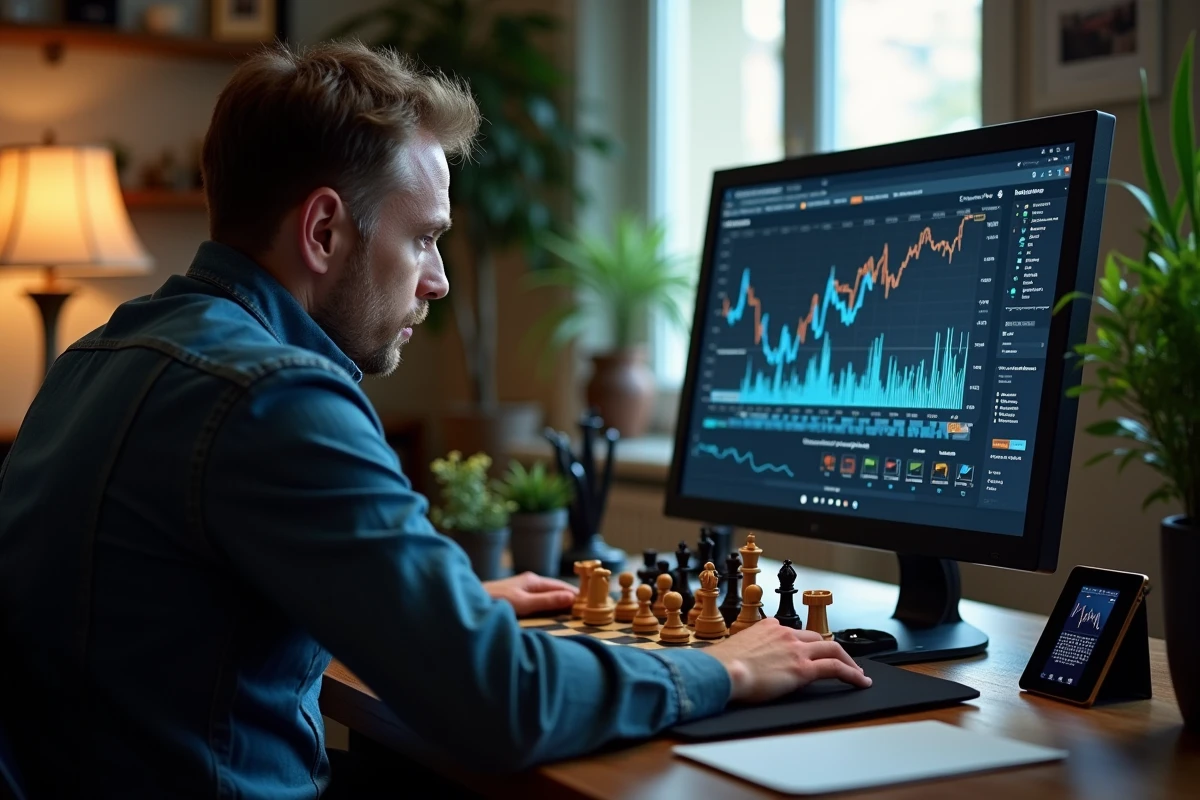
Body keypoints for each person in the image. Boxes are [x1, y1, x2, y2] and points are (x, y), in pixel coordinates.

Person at [0, 39, 870, 799]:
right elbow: (500, 704)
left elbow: (172, 612)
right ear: (324, 232)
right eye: (422, 237)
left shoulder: (98, 358)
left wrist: (424, 606)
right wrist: (716, 669)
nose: (439, 279)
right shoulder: (273, 396)